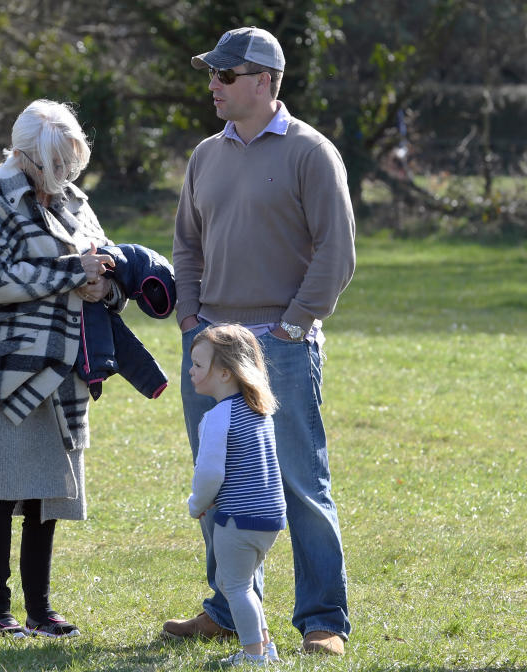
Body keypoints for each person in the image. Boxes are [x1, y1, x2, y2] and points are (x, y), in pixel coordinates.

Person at [164, 26, 356, 656]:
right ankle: (227, 606)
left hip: (282, 340)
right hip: (211, 341)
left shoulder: (311, 151)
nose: (212, 86)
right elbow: (186, 245)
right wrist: (191, 319)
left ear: (266, 82)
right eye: (211, 76)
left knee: (299, 480)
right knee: (218, 476)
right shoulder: (204, 155)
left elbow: (337, 251)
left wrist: (295, 325)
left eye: (225, 76)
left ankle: (322, 619)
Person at [0, 99, 119, 639]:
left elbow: (105, 257)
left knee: (46, 494)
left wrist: (104, 283)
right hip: (11, 370)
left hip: (66, 369)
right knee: (1, 491)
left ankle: (40, 609)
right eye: (57, 164)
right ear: (26, 155)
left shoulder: (74, 201)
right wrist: (74, 271)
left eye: (71, 163)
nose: (65, 176)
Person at [187, 325, 285, 666]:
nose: (191, 371)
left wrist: (197, 504)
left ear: (225, 372)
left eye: (198, 365)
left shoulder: (217, 418)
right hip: (269, 516)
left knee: (234, 586)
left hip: (237, 519)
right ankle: (265, 648)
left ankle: (253, 655)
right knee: (243, 585)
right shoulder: (260, 411)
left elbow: (210, 473)